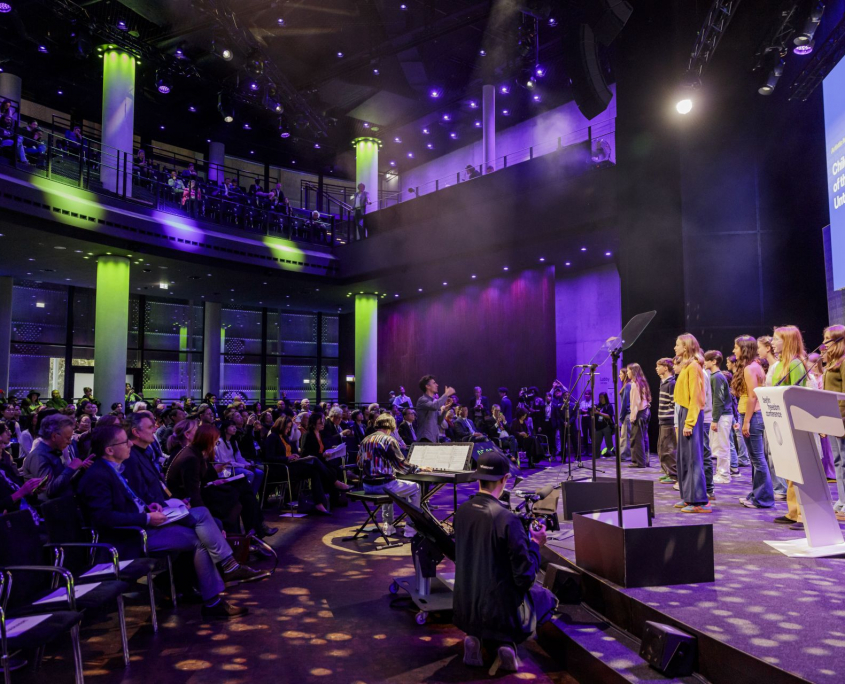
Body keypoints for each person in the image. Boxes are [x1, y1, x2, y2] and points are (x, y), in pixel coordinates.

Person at [77, 424, 263, 619]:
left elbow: (131, 500)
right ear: (110, 450)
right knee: (201, 539)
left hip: (144, 524)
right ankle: (217, 593)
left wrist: (151, 506)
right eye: (125, 442)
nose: (130, 445)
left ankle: (225, 572)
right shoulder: (98, 475)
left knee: (201, 514)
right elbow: (103, 517)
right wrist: (146, 517)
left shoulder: (116, 468)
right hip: (129, 537)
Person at [454, 450, 558, 673]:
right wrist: (535, 545)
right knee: (546, 597)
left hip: (466, 608)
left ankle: (475, 636)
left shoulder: (461, 511)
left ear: (478, 478)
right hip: (499, 612)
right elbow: (524, 577)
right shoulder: (506, 519)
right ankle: (506, 643)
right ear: (504, 479)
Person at [357, 414, 423, 537]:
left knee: (390, 484)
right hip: (383, 487)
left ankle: (388, 526)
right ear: (392, 426)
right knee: (415, 487)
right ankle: (410, 529)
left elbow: (360, 464)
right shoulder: (389, 440)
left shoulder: (365, 440)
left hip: (367, 486)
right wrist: (419, 468)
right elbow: (401, 465)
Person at [732, 335, 774, 509]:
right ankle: (757, 494)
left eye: (736, 347)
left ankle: (763, 498)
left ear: (744, 349)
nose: (734, 351)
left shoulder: (750, 368)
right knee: (756, 458)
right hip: (752, 415)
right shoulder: (754, 366)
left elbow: (752, 396)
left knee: (758, 459)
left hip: (753, 415)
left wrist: (746, 421)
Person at [672, 334, 711, 514]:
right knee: (684, 458)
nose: (675, 348)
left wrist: (689, 422)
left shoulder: (694, 366)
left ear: (686, 347)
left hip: (691, 414)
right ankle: (688, 497)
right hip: (684, 412)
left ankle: (699, 500)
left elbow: (696, 397)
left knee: (694, 458)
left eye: (677, 345)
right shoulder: (686, 366)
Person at [21, 414, 94, 502]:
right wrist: (71, 468)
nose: (70, 442)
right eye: (67, 438)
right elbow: (50, 491)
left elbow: (63, 481)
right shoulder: (39, 456)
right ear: (54, 436)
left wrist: (80, 468)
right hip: (52, 509)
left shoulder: (52, 452)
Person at [822, 325, 845, 520]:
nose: (824, 342)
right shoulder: (832, 362)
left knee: (844, 461)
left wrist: (841, 420)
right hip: (831, 417)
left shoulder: (844, 362)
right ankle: (841, 501)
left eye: (828, 338)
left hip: (841, 419)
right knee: (838, 462)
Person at [655, 358, 677, 483]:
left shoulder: (671, 383)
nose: (657, 368)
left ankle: (673, 474)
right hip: (662, 419)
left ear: (666, 367)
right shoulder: (663, 382)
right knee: (662, 447)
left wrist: (671, 417)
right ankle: (667, 471)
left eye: (659, 366)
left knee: (669, 448)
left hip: (668, 420)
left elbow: (674, 403)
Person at [415, 375, 456, 443]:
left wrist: (445, 409)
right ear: (427, 386)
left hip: (433, 438)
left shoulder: (433, 402)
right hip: (425, 438)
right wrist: (446, 394)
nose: (437, 385)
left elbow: (439, 421)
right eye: (434, 383)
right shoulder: (422, 400)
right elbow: (435, 406)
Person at [627, 364, 651, 468]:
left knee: (637, 438)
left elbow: (635, 402)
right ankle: (645, 461)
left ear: (633, 371)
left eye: (628, 371)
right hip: (646, 411)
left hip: (640, 413)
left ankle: (639, 462)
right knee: (644, 438)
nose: (627, 373)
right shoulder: (642, 382)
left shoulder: (635, 384)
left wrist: (632, 417)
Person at [593, 392, 615, 457]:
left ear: (605, 398)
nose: (600, 399)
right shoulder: (597, 406)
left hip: (606, 426)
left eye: (602, 397)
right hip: (598, 427)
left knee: (609, 444)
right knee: (596, 444)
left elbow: (609, 416)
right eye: (599, 397)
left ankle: (612, 457)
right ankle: (596, 458)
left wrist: (599, 413)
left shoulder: (609, 406)